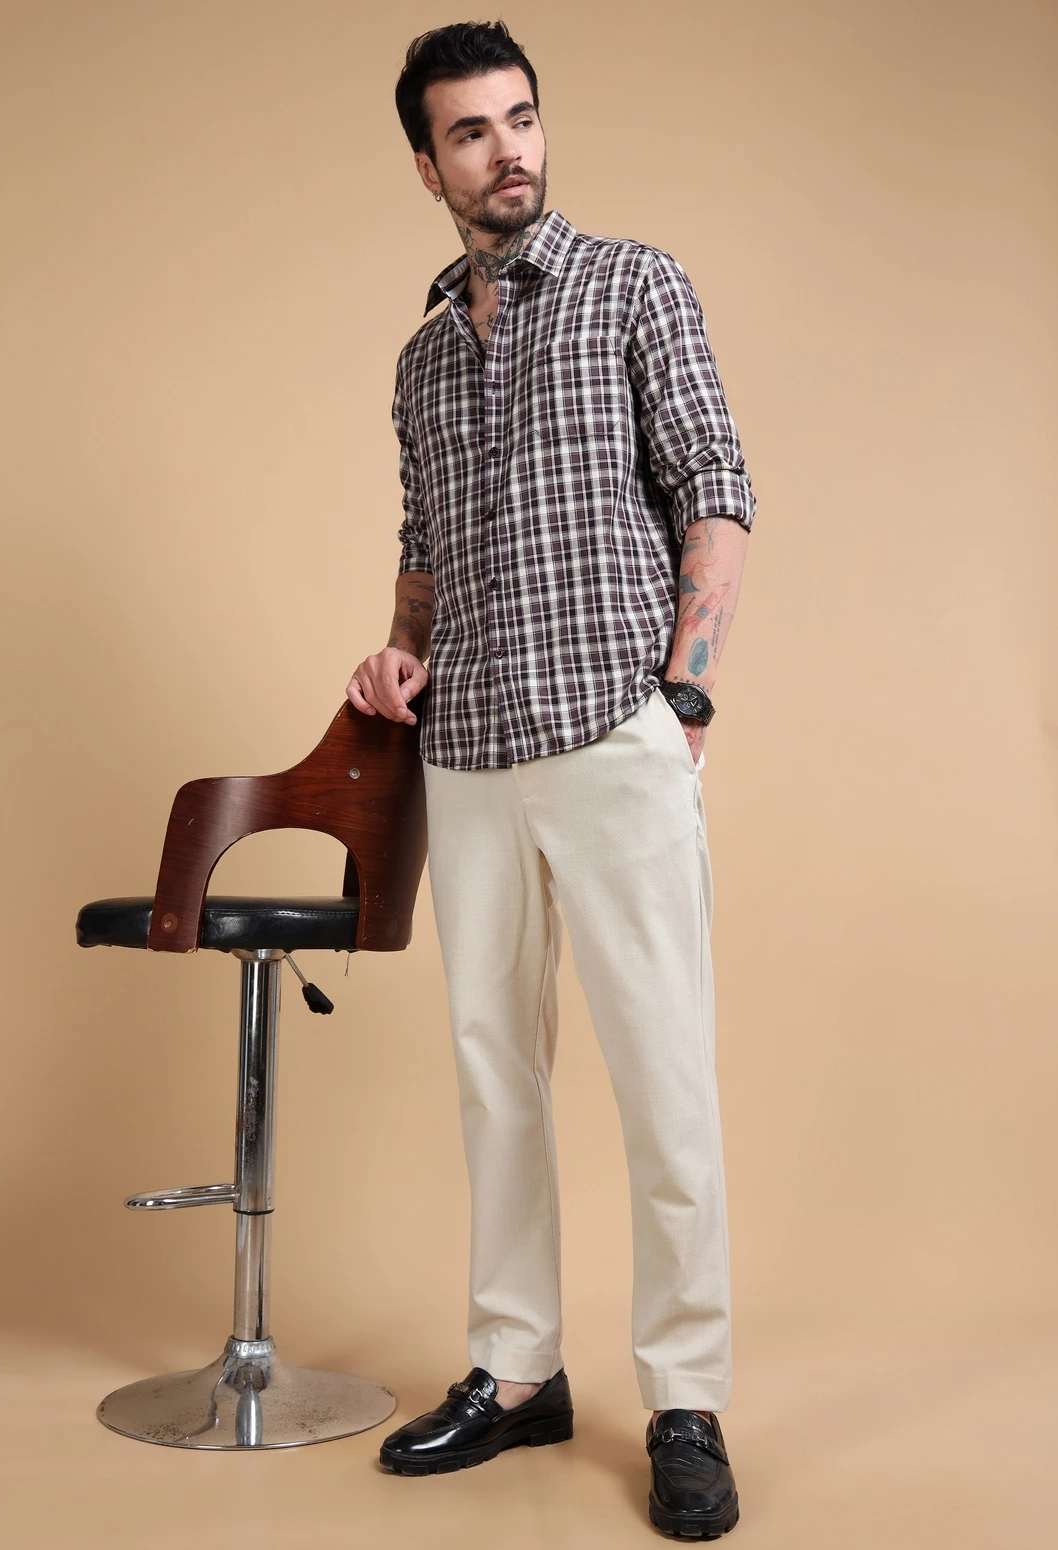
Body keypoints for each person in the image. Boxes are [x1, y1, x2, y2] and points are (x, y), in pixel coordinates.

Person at [346, 21, 755, 1540]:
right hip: (466, 751)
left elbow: (714, 485)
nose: (506, 149)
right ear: (427, 165)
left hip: (609, 729)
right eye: (470, 131)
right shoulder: (417, 358)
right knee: (492, 1072)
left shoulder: (635, 284)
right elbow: (423, 550)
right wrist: (398, 658)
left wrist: (685, 690)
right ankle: (519, 1368)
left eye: (519, 118)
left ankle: (686, 1397)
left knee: (662, 1074)